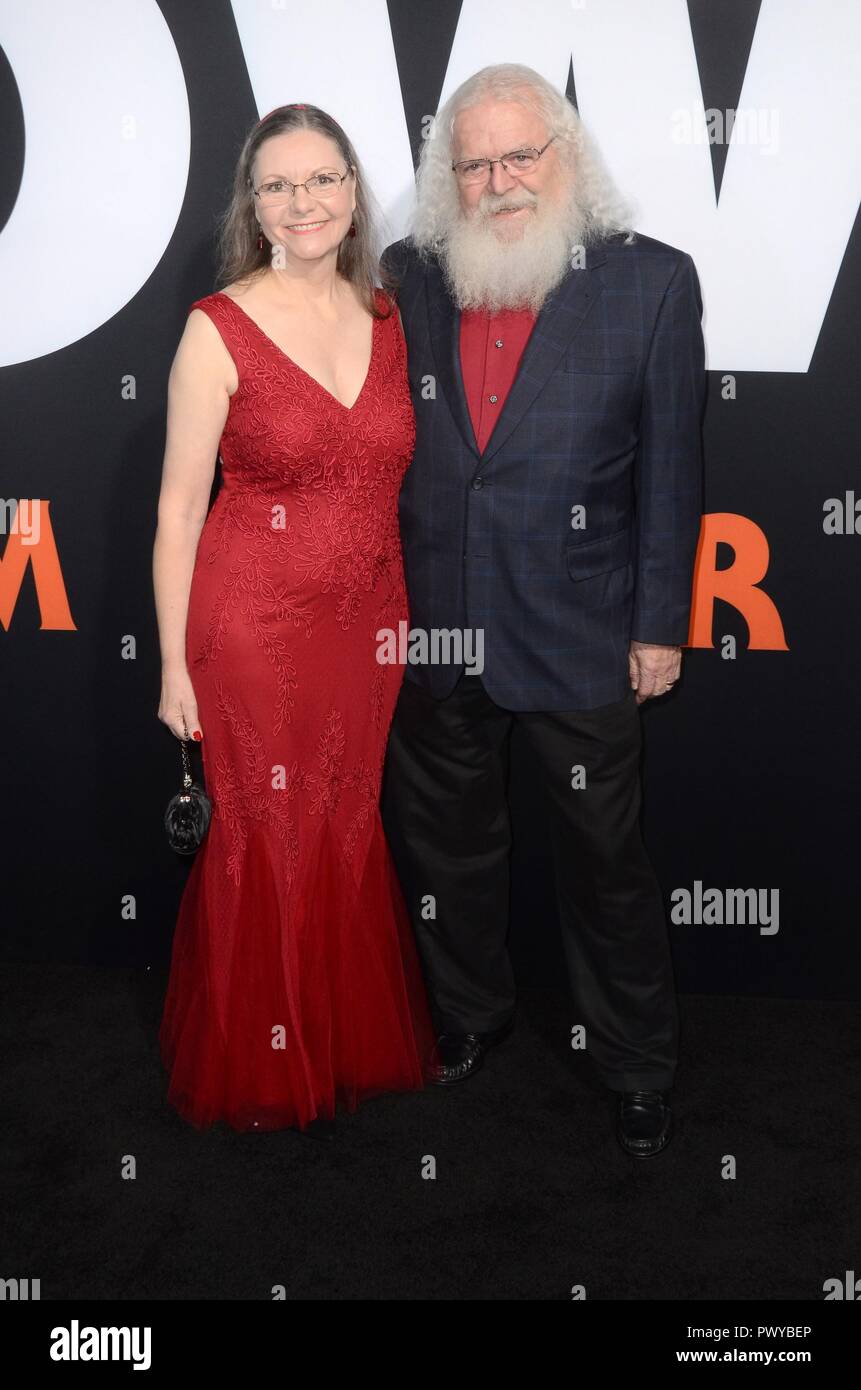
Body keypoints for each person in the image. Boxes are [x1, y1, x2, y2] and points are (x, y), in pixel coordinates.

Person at [380, 64, 706, 1158]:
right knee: (447, 853)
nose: (499, 180)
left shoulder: (652, 283)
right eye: (473, 163)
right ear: (450, 179)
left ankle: (635, 1062)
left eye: (521, 155)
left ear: (567, 157)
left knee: (605, 865)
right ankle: (472, 1015)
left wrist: (660, 623)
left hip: (579, 629)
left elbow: (673, 471)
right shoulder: (407, 278)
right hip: (435, 626)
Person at [153, 103, 434, 1138]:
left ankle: (341, 1042)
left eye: (322, 180)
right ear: (254, 204)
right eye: (278, 185)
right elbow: (180, 510)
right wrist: (178, 668)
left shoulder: (387, 316)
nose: (302, 202)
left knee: (343, 821)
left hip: (369, 628)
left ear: (354, 190)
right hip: (251, 628)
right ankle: (267, 1069)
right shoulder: (215, 327)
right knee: (265, 832)